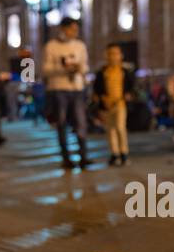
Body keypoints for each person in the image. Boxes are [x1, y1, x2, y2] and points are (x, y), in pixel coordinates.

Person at [43, 15, 90, 169]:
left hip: (76, 88)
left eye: (77, 29)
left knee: (80, 121)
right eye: (72, 29)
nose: (75, 32)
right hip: (59, 89)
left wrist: (78, 68)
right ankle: (66, 158)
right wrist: (62, 68)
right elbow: (45, 69)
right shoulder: (51, 46)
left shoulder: (80, 45)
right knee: (61, 123)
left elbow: (85, 67)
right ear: (63, 29)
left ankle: (83, 156)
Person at [93, 43, 133, 165]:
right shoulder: (102, 72)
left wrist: (128, 95)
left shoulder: (124, 71)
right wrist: (101, 98)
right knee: (110, 130)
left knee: (120, 128)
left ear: (121, 55)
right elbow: (97, 88)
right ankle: (114, 154)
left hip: (120, 104)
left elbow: (131, 87)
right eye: (110, 53)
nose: (113, 56)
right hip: (107, 105)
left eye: (116, 53)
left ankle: (124, 153)